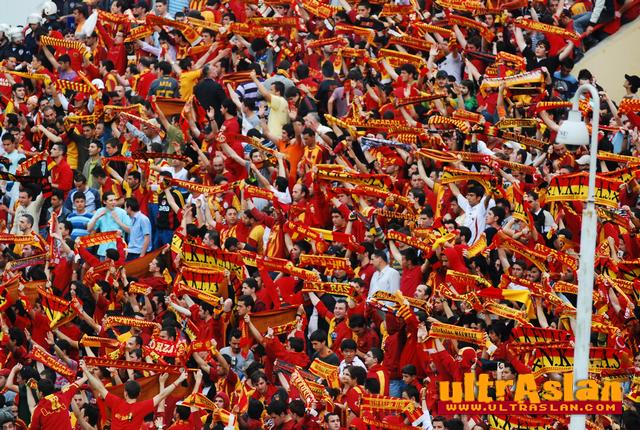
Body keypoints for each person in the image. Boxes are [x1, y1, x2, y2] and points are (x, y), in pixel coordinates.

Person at [81, 360, 187, 430]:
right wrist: (179, 379)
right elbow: (162, 395)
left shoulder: (115, 401)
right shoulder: (142, 407)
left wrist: (86, 370)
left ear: (125, 393)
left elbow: (99, 387)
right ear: (139, 394)